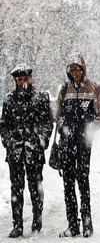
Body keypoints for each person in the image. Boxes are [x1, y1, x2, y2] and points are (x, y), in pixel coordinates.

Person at [55, 52, 100, 238]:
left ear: (83, 69)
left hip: (84, 145)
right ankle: (72, 224)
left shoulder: (94, 88)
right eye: (72, 69)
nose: (75, 72)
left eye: (78, 69)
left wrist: (88, 131)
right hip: (67, 143)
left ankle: (87, 223)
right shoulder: (64, 90)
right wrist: (62, 128)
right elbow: (58, 115)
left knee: (83, 182)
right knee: (68, 184)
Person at [0, 63, 53, 238]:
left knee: (35, 186)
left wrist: (40, 142)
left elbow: (47, 123)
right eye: (19, 79)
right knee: (16, 188)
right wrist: (9, 142)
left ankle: (37, 217)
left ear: (30, 79)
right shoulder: (9, 100)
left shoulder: (40, 97)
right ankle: (17, 225)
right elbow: (4, 126)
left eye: (24, 79)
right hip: (15, 151)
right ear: (15, 80)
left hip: (34, 151)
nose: (22, 82)